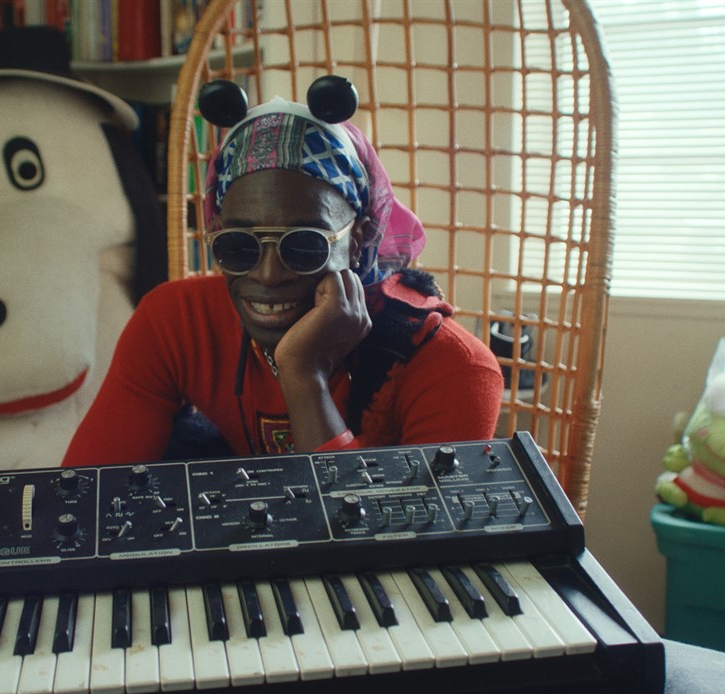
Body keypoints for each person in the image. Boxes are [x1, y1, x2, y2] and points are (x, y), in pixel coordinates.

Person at [62, 90, 503, 465]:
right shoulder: (176, 322)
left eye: (304, 244)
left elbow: (402, 555)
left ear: (361, 237)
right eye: (239, 245)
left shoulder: (451, 368)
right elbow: (85, 500)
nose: (269, 274)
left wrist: (304, 376)